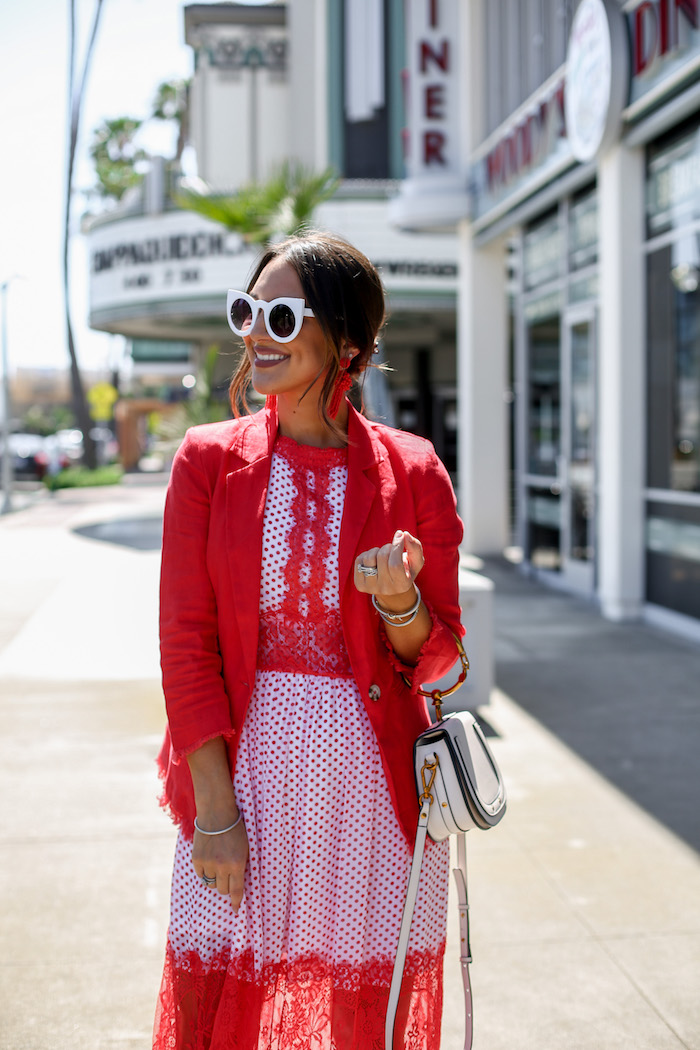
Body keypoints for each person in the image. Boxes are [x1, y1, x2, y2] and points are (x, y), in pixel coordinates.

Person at [153, 232, 464, 1050]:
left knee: (366, 1018)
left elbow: (445, 661)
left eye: (283, 316)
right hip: (242, 788)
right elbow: (185, 645)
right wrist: (215, 813)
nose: (258, 332)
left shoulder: (415, 471)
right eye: (249, 310)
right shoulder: (207, 463)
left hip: (374, 800)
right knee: (219, 1012)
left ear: (350, 346)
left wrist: (401, 607)